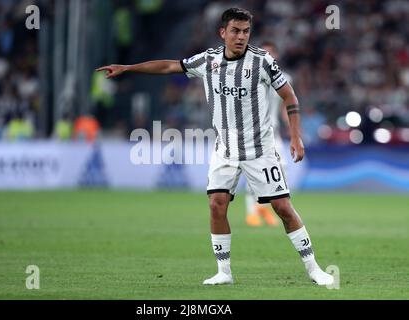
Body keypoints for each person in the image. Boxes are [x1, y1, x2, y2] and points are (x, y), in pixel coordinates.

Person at [96, 7, 334, 286]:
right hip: (225, 149)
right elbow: (170, 66)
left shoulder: (263, 61)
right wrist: (128, 68)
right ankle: (224, 272)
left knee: (282, 207)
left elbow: (289, 95)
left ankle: (314, 268)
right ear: (223, 32)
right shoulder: (208, 60)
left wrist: (295, 136)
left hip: (260, 149)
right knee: (216, 204)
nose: (241, 37)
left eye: (246, 31)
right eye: (235, 31)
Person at [244, 41, 289, 227]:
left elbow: (284, 105)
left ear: (276, 55)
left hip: (274, 132)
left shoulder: (284, 78)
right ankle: (252, 212)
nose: (268, 55)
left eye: (271, 52)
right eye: (264, 52)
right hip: (252, 132)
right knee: (254, 172)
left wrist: (294, 129)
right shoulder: (248, 77)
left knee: (280, 170)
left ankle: (264, 208)